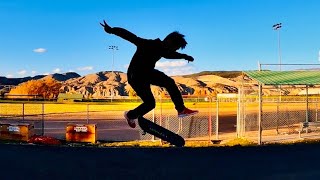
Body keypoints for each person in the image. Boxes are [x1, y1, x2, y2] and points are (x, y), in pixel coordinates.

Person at [100, 20, 198, 128]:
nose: (173, 50)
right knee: (167, 84)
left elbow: (170, 54)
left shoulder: (163, 50)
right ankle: (181, 109)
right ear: (169, 41)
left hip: (146, 75)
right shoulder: (147, 44)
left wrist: (184, 56)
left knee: (151, 103)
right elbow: (130, 36)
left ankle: (130, 115)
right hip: (135, 75)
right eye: (174, 47)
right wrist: (112, 30)